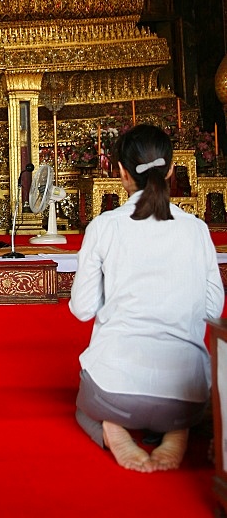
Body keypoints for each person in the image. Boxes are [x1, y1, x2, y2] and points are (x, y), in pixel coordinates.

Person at [69, 123, 223, 472]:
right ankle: (177, 428)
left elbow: (81, 309)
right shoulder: (196, 229)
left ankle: (111, 429)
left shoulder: (105, 227)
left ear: (121, 173)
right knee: (192, 404)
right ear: (171, 169)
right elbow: (213, 308)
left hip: (114, 390)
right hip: (187, 395)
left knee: (82, 404)